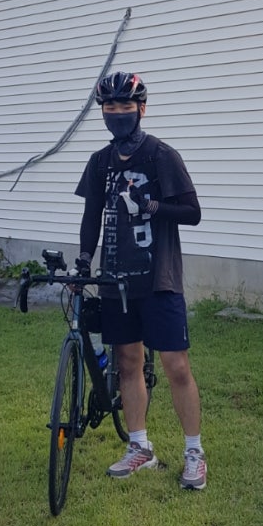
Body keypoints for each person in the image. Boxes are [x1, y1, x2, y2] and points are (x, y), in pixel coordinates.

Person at [75, 71, 206, 490]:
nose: (117, 114)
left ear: (142, 109)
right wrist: (84, 261)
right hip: (116, 281)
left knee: (176, 366)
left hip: (159, 278)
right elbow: (91, 217)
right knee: (128, 364)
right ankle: (139, 447)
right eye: (109, 107)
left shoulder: (161, 156)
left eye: (125, 106)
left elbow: (192, 212)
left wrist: (150, 206)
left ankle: (194, 453)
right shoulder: (100, 162)